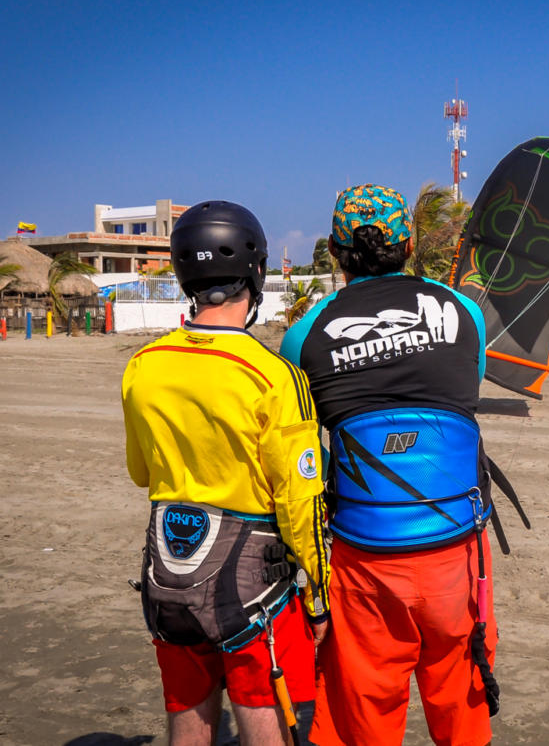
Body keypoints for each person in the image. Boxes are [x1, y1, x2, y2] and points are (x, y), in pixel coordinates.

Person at [280, 184, 496, 746]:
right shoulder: (465, 312)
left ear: (335, 251)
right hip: (456, 550)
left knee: (365, 716)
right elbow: (461, 396)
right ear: (410, 245)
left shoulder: (303, 337)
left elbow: (305, 443)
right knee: (462, 708)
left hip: (365, 558)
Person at [122, 201, 330, 745]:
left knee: (187, 719)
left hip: (168, 574)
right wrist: (319, 597)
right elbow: (300, 502)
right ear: (255, 273)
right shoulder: (274, 377)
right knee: (266, 721)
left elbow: (140, 472)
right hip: (252, 587)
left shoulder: (143, 366)